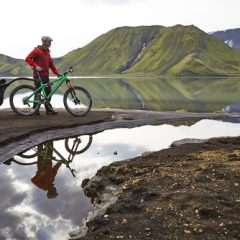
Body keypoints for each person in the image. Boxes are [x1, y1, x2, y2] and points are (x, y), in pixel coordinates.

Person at [25, 36, 60, 115]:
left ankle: (48, 109)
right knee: (38, 92)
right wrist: (35, 66)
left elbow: (51, 64)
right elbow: (28, 58)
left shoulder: (47, 52)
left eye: (50, 42)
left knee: (48, 92)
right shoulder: (36, 50)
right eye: (49, 42)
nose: (50, 43)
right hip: (37, 75)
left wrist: (56, 72)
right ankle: (35, 110)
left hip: (45, 75)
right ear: (44, 42)